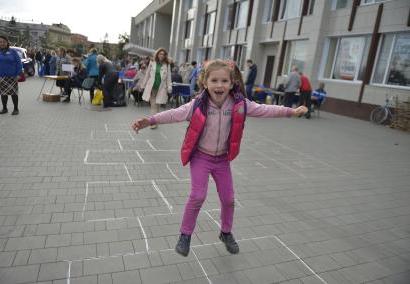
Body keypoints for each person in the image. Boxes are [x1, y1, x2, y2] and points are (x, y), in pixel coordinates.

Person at [131, 60, 308, 257]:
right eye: (214, 80)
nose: (219, 85)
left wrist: (291, 111)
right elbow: (175, 114)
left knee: (229, 199)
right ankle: (185, 235)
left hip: (222, 159)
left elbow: (265, 109)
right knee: (198, 196)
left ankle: (226, 232)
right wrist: (151, 120)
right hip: (201, 157)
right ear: (205, 83)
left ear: (232, 83)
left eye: (224, 80)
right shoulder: (198, 104)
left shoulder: (240, 104)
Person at [0, 35, 22, 115]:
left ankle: (16, 109)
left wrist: (19, 73)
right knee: (3, 93)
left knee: (14, 93)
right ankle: (4, 108)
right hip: (0, 77)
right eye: (0, 42)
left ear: (7, 42)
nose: (2, 43)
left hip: (12, 76)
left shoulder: (13, 51)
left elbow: (18, 63)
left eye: (4, 42)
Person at [140, 47, 172, 128]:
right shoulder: (152, 62)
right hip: (152, 87)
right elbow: (147, 74)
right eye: (160, 54)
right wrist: (143, 85)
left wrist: (169, 87)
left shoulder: (167, 65)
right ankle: (153, 123)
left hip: (161, 88)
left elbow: (168, 77)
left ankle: (156, 121)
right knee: (153, 105)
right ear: (157, 54)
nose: (162, 56)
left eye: (163, 54)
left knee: (157, 106)